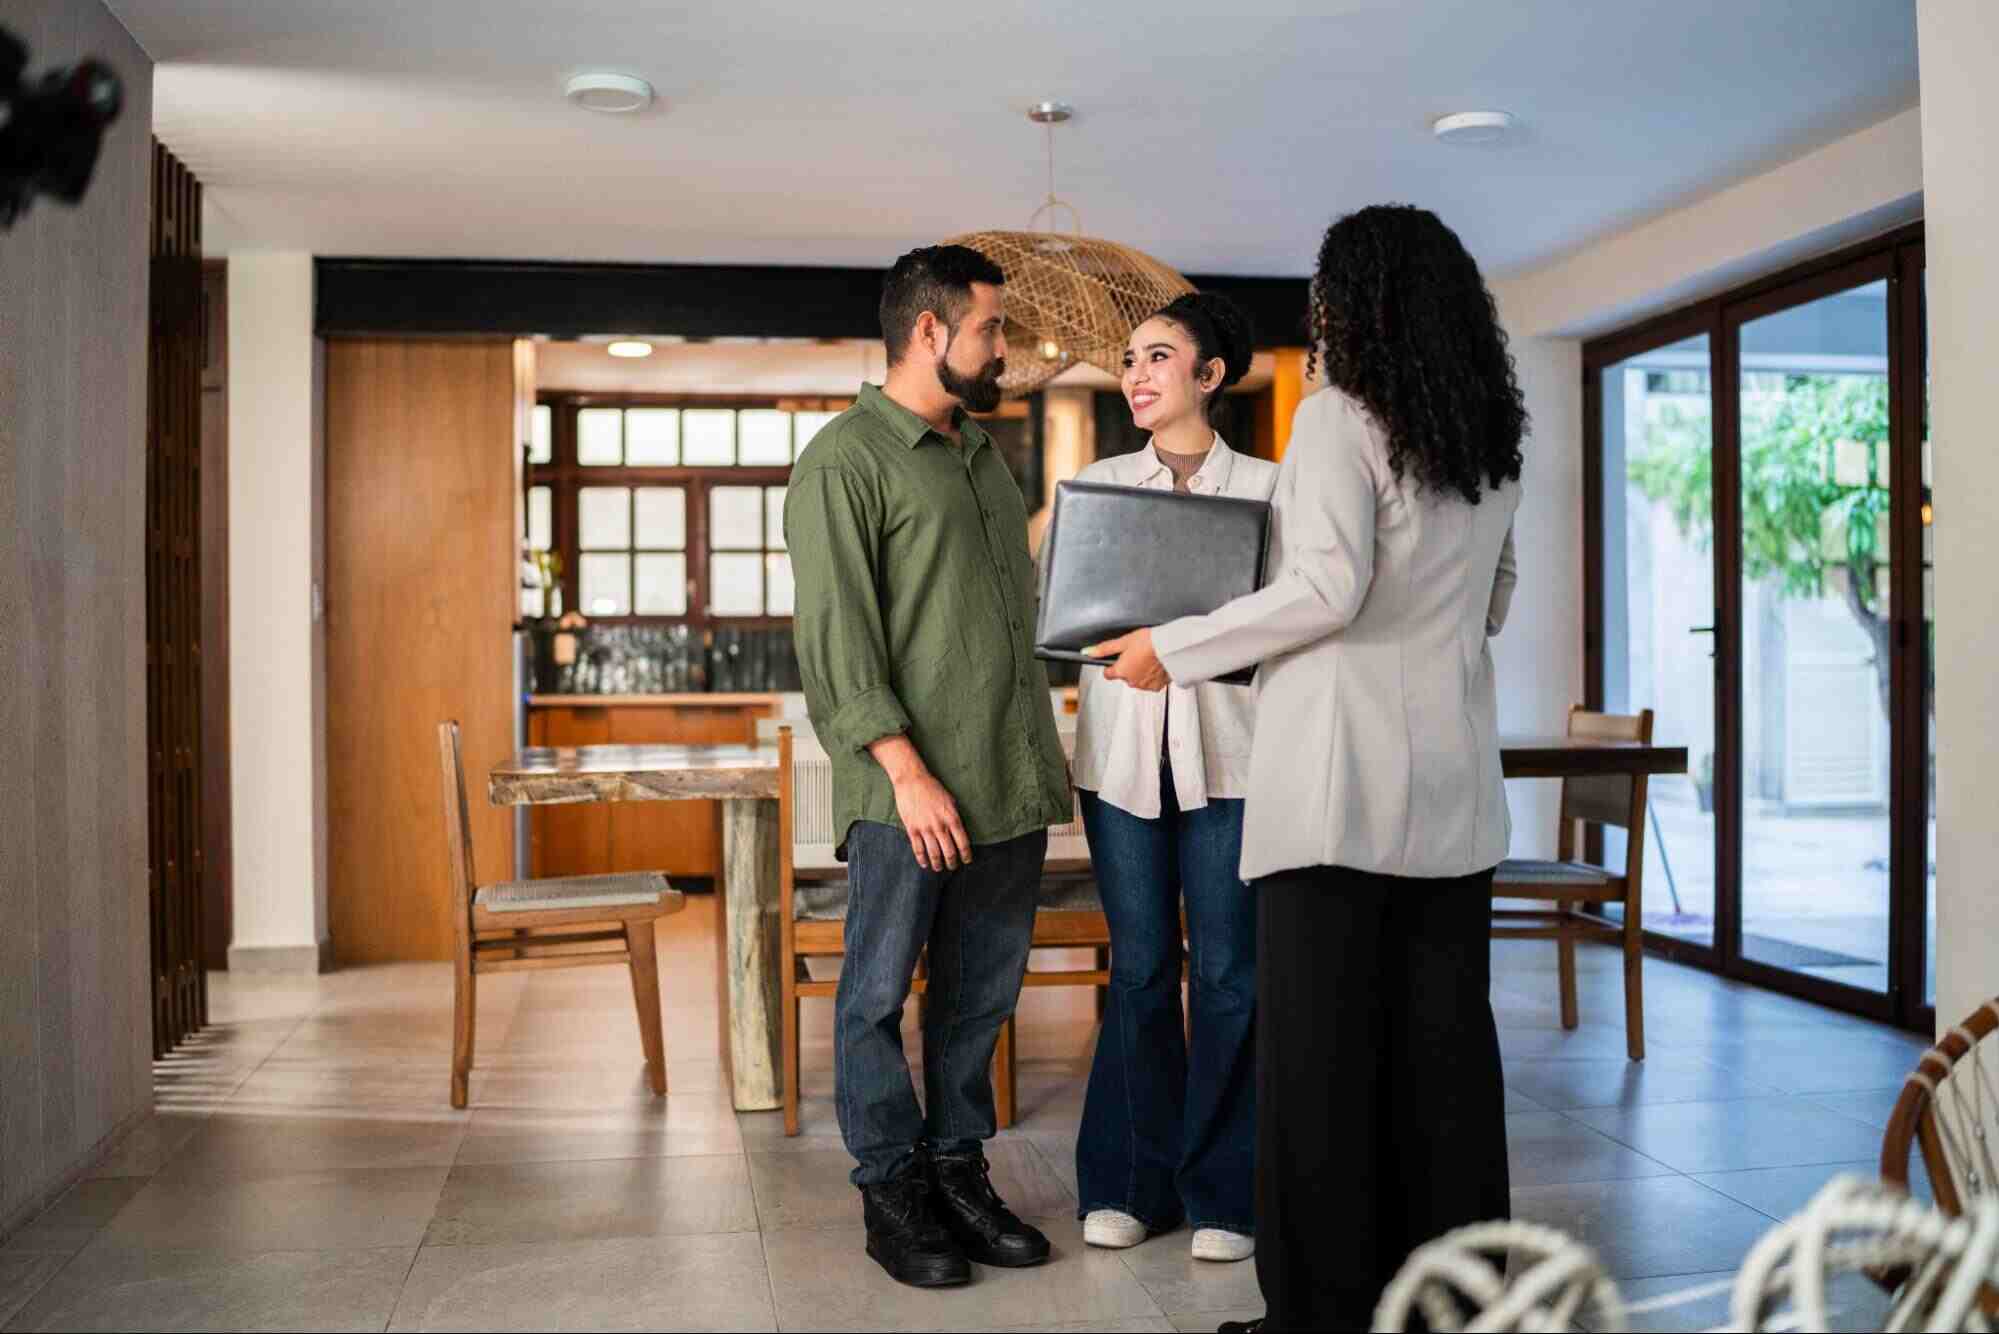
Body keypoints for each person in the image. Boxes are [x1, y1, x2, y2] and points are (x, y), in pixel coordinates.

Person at [1089, 204, 1527, 1332]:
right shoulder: (1482, 431)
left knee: (1320, 1075)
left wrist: (1171, 650)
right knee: (1442, 1075)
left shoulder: (1339, 416)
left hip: (1338, 792)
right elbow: (1493, 600)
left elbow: (1324, 590)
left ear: (1353, 302)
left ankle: (1323, 1315)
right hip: (1453, 797)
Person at [786, 243, 1074, 1289]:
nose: (1005, 349)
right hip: (908, 792)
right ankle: (891, 1186)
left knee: (977, 998)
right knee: (873, 995)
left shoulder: (981, 456)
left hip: (1005, 778)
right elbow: (837, 641)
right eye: (993, 329)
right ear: (928, 330)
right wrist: (906, 772)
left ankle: (957, 1167)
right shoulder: (843, 460)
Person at [1064, 293, 1276, 1265]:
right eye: (1128, 358)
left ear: (1210, 375)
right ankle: (1128, 1181)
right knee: (1143, 973)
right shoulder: (1096, 484)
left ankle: (1226, 1189)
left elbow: (1292, 630)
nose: (1136, 374)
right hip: (1119, 765)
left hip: (1234, 761)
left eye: (1158, 357)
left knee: (1230, 976)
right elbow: (1066, 625)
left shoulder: (1274, 491)